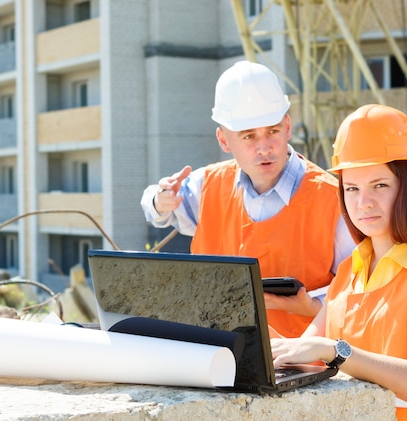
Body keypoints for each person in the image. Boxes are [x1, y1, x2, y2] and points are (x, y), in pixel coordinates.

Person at [270, 104, 407, 420]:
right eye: (352, 188)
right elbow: (304, 356)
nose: (364, 203)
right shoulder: (350, 272)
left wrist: (335, 351)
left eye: (380, 185)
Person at [141, 60, 355, 338]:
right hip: (217, 352)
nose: (264, 148)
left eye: (272, 132)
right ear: (224, 140)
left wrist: (312, 305)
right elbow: (155, 209)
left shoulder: (335, 200)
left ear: (287, 126)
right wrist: (160, 200)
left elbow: (357, 291)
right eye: (249, 137)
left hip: (301, 366)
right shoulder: (208, 185)